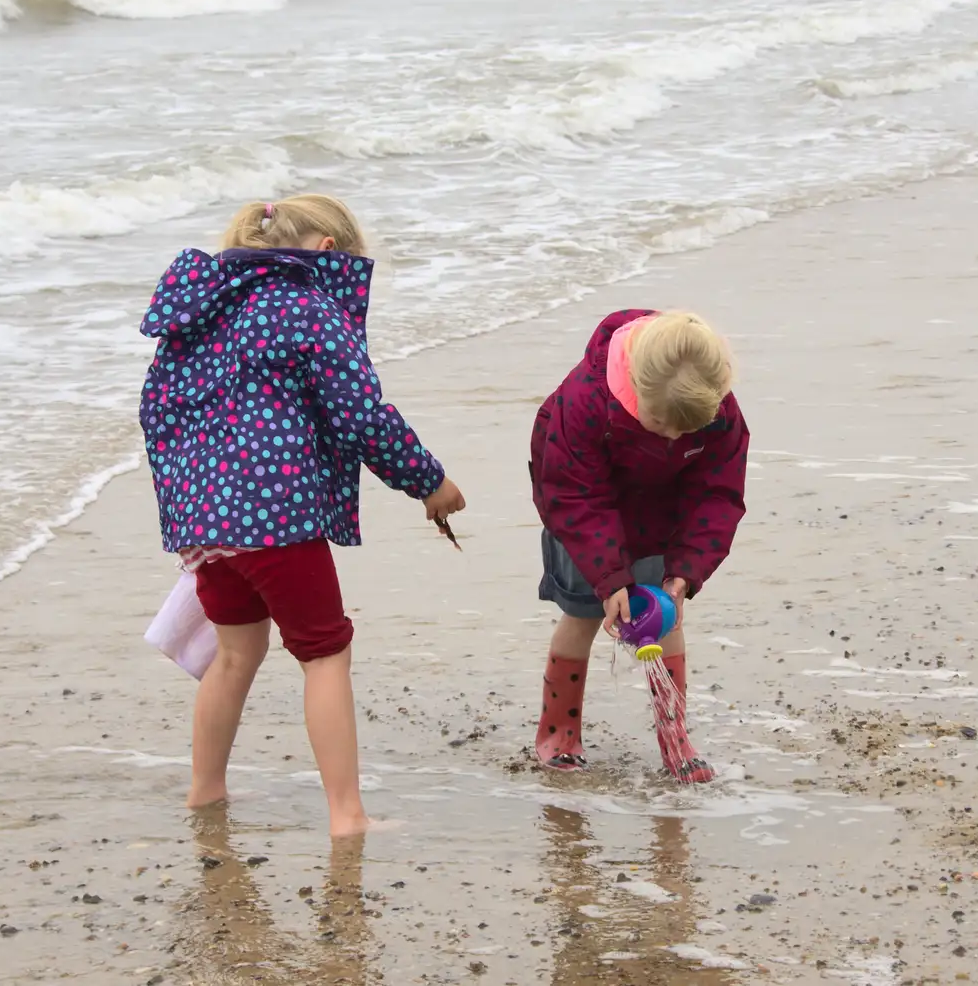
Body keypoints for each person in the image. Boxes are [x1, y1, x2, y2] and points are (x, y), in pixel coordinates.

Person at [137, 193, 465, 836]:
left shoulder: (199, 308)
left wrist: (190, 502)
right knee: (323, 653)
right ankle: (348, 816)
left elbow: (158, 411)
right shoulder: (307, 308)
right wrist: (428, 482)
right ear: (327, 253)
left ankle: (204, 792)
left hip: (204, 522)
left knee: (236, 653)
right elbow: (363, 416)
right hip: (274, 517)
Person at [529, 309, 748, 783]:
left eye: (685, 433)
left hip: (661, 517)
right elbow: (575, 493)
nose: (672, 437)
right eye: (660, 424)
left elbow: (718, 494)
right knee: (584, 612)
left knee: (664, 613)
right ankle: (557, 733)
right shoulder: (586, 400)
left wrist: (684, 573)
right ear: (635, 387)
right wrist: (609, 579)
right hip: (582, 516)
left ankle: (675, 738)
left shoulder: (717, 407)